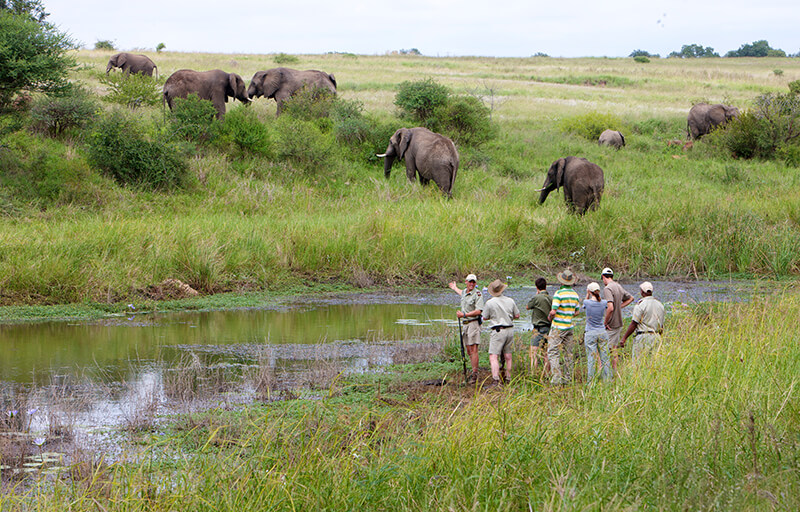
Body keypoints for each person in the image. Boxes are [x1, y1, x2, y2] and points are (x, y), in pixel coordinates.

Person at [481, 279, 520, 388]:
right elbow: (517, 315)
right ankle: (508, 378)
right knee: (508, 356)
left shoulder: (490, 302)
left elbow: (484, 317)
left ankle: (495, 380)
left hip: (498, 331)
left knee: (493, 356)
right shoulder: (510, 301)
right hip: (510, 330)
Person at [448, 274, 485, 383]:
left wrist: (464, 315)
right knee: (468, 350)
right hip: (465, 324)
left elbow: (479, 311)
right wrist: (454, 288)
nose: (472, 284)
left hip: (473, 323)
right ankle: (473, 370)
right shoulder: (465, 292)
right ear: (466, 282)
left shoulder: (478, 294)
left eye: (473, 282)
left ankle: (475, 374)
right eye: (470, 282)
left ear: (476, 283)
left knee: (473, 349)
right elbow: (461, 293)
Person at [547, 269, 580, 385]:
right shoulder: (575, 295)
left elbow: (553, 311)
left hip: (558, 327)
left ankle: (556, 378)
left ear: (561, 282)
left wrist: (550, 317)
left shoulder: (558, 294)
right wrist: (568, 313)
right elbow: (577, 312)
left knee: (552, 351)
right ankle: (568, 378)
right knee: (568, 353)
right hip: (569, 326)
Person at [621, 281, 666, 362]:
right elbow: (661, 326)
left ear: (642, 292)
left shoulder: (640, 305)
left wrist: (624, 338)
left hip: (643, 337)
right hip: (656, 336)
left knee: (639, 363)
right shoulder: (660, 305)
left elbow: (634, 323)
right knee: (653, 363)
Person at [601, 267, 634, 375]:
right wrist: (619, 307)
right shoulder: (618, 286)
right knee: (614, 349)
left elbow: (610, 308)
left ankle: (606, 374)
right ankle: (615, 372)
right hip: (619, 322)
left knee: (605, 349)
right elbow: (631, 298)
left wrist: (605, 322)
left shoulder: (607, 289)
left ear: (603, 277)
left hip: (611, 324)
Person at [582, 282, 612, 383]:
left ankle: (590, 382)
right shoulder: (604, 303)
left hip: (590, 332)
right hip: (602, 331)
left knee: (591, 358)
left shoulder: (587, 303)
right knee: (605, 358)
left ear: (590, 292)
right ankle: (607, 380)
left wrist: (587, 294)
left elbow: (584, 303)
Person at [526, 277, 552, 378]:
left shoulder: (536, 298)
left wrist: (536, 295)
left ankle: (534, 375)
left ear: (537, 287)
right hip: (548, 328)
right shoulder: (551, 298)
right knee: (546, 354)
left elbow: (528, 307)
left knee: (533, 353)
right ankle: (547, 375)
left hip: (538, 328)